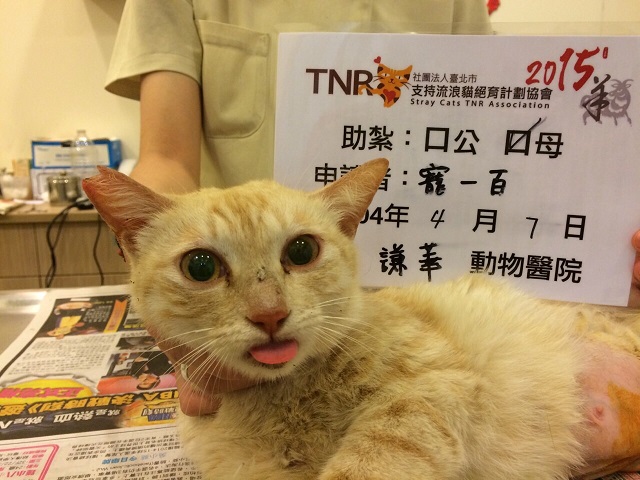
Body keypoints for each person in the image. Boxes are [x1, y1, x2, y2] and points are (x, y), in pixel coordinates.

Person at [105, 1, 640, 415]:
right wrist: (158, 255)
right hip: (230, 337)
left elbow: (489, 147)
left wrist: (607, 234)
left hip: (428, 319)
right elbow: (165, 157)